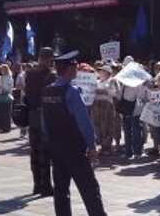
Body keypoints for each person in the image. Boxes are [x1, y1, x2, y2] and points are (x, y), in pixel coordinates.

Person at [40, 52, 107, 216]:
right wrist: (92, 146)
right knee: (89, 188)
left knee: (61, 189)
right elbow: (84, 122)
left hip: (56, 147)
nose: (77, 69)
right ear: (68, 69)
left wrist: (50, 143)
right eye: (74, 66)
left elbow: (44, 122)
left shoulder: (47, 91)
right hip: (74, 148)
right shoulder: (72, 91)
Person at [25, 49, 57, 196]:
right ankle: (46, 186)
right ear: (48, 59)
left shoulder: (30, 73)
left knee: (34, 150)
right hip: (46, 115)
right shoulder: (51, 75)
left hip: (33, 115)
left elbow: (26, 95)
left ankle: (36, 184)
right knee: (45, 150)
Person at [91, 63, 116, 156]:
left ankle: (108, 147)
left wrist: (103, 91)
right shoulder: (96, 81)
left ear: (108, 73)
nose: (100, 72)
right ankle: (102, 146)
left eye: (103, 71)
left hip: (106, 105)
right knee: (98, 126)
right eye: (100, 71)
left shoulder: (112, 81)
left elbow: (114, 93)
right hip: (96, 105)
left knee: (107, 126)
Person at [0, 64, 15, 133]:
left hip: (7, 95)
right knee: (0, 113)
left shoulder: (9, 77)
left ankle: (6, 127)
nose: (1, 71)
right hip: (0, 95)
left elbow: (7, 87)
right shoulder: (1, 77)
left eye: (2, 69)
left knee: (7, 113)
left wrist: (1, 87)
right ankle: (1, 127)